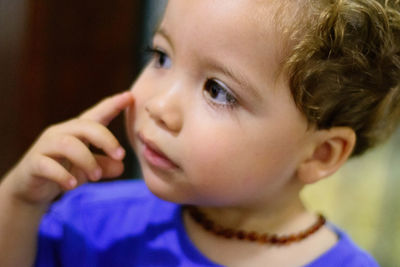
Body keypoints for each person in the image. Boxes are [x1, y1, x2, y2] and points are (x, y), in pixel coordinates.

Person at [0, 0, 399, 266]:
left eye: (217, 91)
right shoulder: (91, 222)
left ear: (320, 155)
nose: (159, 106)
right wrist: (18, 201)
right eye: (161, 56)